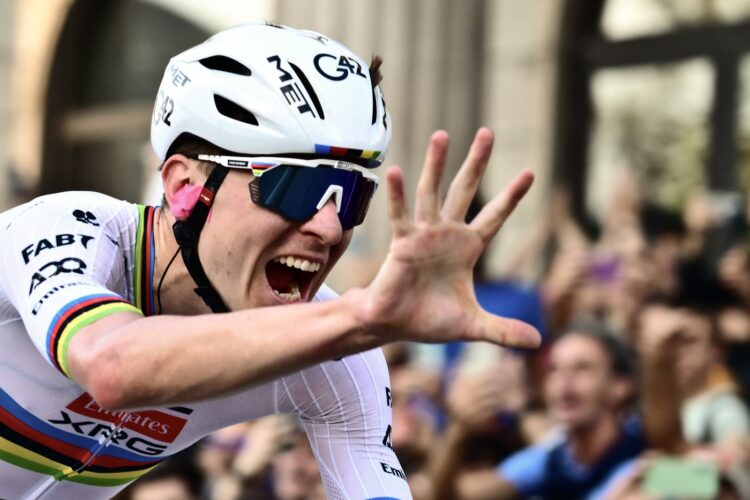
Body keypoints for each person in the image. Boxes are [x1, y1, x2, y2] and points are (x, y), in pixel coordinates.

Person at [0, 22, 540, 499]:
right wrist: (361, 316)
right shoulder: (68, 229)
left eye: (351, 196)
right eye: (294, 187)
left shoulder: (336, 352)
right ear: (185, 185)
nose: (329, 228)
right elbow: (112, 367)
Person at [427, 321, 643, 499]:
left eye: (582, 367)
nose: (564, 380)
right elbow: (450, 495)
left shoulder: (647, 447)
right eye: (554, 369)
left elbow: (665, 483)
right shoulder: (548, 460)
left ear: (620, 385)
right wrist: (459, 432)